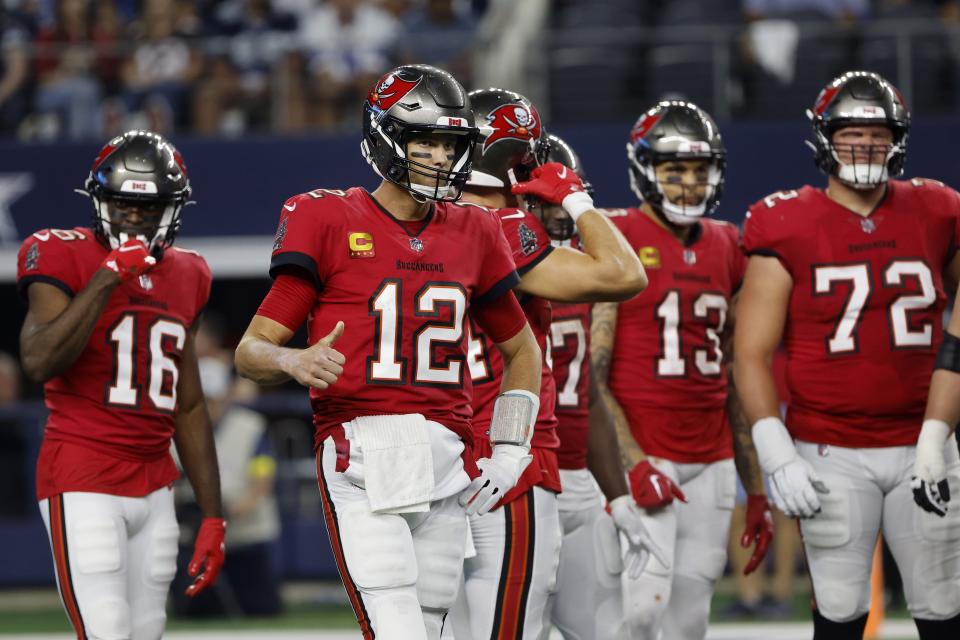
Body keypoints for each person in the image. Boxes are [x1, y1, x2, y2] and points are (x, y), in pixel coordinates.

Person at [233, 64, 542, 640]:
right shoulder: (326, 217)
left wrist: (509, 449)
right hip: (363, 448)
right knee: (397, 626)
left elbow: (523, 350)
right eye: (426, 138)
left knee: (433, 626)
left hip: (448, 455)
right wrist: (290, 361)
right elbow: (251, 349)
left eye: (450, 143)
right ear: (385, 135)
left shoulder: (475, 229)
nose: (440, 156)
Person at [736, 70, 960, 639]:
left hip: (922, 442)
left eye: (877, 133)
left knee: (942, 602)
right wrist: (775, 448)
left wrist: (938, 432)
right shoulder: (784, 220)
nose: (864, 145)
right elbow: (751, 351)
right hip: (829, 446)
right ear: (823, 138)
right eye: (849, 133)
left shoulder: (938, 209)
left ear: (899, 139)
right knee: (839, 610)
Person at [17, 130, 225, 640]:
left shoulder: (191, 272)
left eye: (148, 207)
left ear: (171, 210)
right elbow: (39, 360)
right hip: (82, 472)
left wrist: (214, 515)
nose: (133, 218)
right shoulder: (60, 253)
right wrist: (106, 279)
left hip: (155, 481)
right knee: (106, 628)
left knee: (147, 629)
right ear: (99, 201)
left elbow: (189, 404)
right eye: (122, 204)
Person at [457, 88, 649, 640]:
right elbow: (624, 274)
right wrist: (577, 200)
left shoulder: (422, 224)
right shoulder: (505, 231)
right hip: (509, 454)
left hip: (436, 451)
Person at [592, 101, 771, 640]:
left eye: (699, 171)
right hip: (645, 450)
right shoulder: (615, 235)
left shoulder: (729, 245)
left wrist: (755, 488)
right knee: (642, 611)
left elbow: (738, 371)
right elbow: (590, 372)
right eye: (675, 171)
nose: (689, 183)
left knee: (690, 622)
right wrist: (633, 462)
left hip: (712, 457)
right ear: (646, 170)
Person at [531, 134, 664, 639]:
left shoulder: (580, 276)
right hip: (517, 477)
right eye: (546, 203)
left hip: (578, 482)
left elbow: (586, 394)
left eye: (566, 201)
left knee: (603, 630)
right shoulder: (489, 263)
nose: (561, 217)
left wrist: (620, 497)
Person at [173, 355, 282, 617]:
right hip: (196, 537)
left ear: (226, 396)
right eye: (203, 399)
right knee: (195, 612)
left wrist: (228, 512)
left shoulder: (251, 426)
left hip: (245, 533)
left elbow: (262, 482)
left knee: (262, 609)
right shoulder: (177, 428)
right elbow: (168, 482)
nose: (209, 406)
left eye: (213, 398)